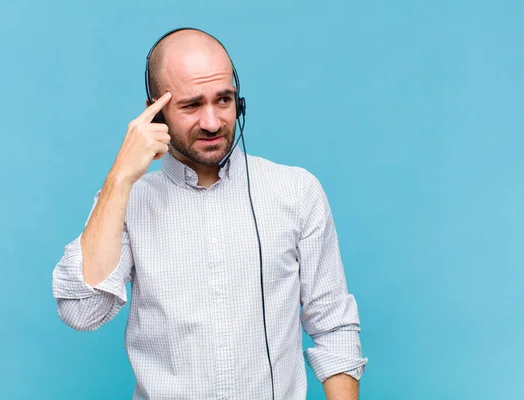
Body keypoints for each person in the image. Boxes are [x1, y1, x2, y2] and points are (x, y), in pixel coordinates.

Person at [52, 27, 368, 400]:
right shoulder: (127, 200)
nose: (212, 122)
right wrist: (119, 177)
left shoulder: (296, 191)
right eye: (191, 105)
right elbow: (82, 312)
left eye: (223, 100)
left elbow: (334, 326)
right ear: (155, 111)